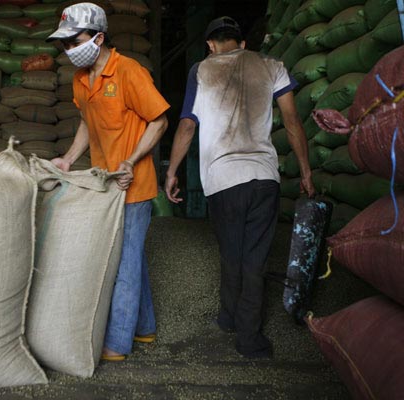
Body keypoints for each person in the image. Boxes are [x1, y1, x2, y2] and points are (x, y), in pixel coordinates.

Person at [165, 17, 315, 358]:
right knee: (255, 257)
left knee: (232, 252)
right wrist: (306, 171)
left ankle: (231, 319)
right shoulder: (272, 65)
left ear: (210, 45)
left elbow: (187, 126)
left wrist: (172, 172)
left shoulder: (202, 70)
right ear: (243, 43)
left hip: (223, 180)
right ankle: (247, 334)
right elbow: (292, 121)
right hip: (264, 177)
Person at [46, 3, 170, 361]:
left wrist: (131, 159)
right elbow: (88, 121)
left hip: (133, 183)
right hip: (105, 185)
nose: (69, 50)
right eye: (65, 44)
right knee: (130, 256)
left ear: (98, 38)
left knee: (122, 262)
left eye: (75, 42)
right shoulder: (80, 78)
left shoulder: (128, 71)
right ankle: (145, 327)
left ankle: (117, 342)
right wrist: (69, 158)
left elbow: (159, 121)